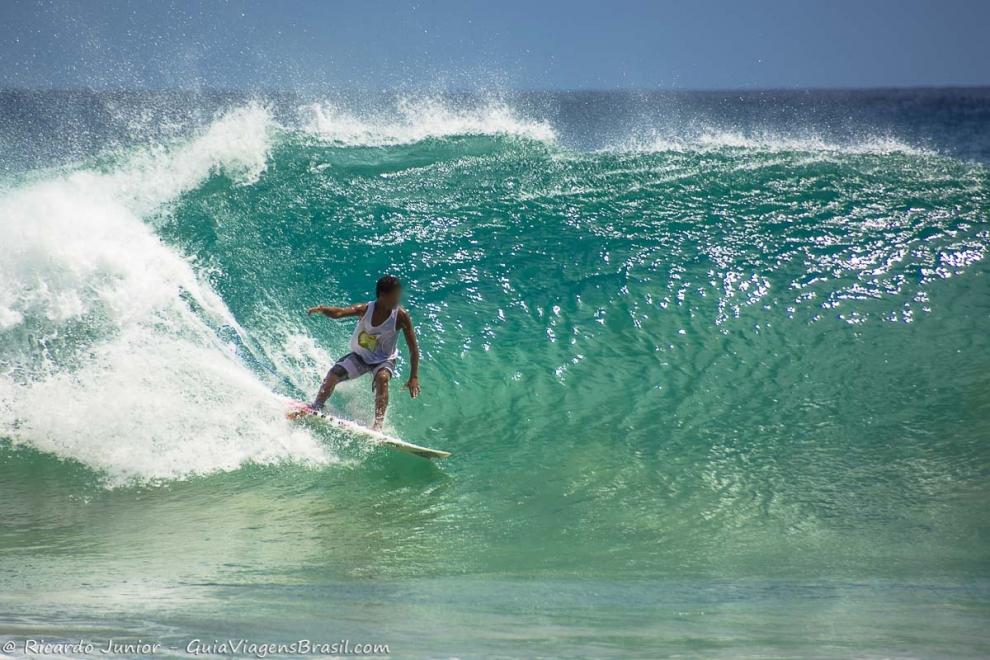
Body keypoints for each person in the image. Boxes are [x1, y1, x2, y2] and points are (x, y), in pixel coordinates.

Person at [290, 275, 420, 430]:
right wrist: (324, 309)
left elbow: (413, 348)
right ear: (383, 296)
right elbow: (339, 313)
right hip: (361, 357)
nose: (399, 299)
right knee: (333, 374)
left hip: (384, 359)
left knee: (382, 378)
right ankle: (316, 406)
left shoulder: (401, 316)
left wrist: (413, 377)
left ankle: (377, 427)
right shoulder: (365, 309)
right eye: (395, 296)